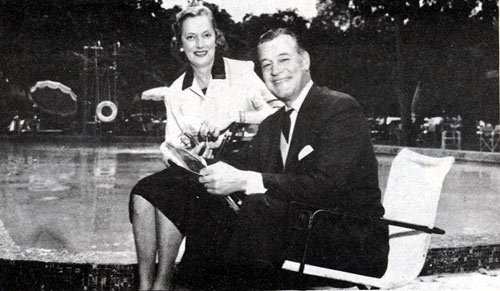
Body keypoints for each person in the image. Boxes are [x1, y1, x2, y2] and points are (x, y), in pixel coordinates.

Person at [128, 5, 279, 290]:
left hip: (238, 167)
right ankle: (146, 285)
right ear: (180, 45)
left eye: (206, 35)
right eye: (191, 38)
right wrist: (186, 147)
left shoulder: (242, 72)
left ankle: (163, 282)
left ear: (216, 37)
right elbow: (169, 146)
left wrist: (238, 118)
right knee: (142, 193)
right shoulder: (175, 91)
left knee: (170, 193)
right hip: (198, 170)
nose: (200, 44)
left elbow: (279, 113)